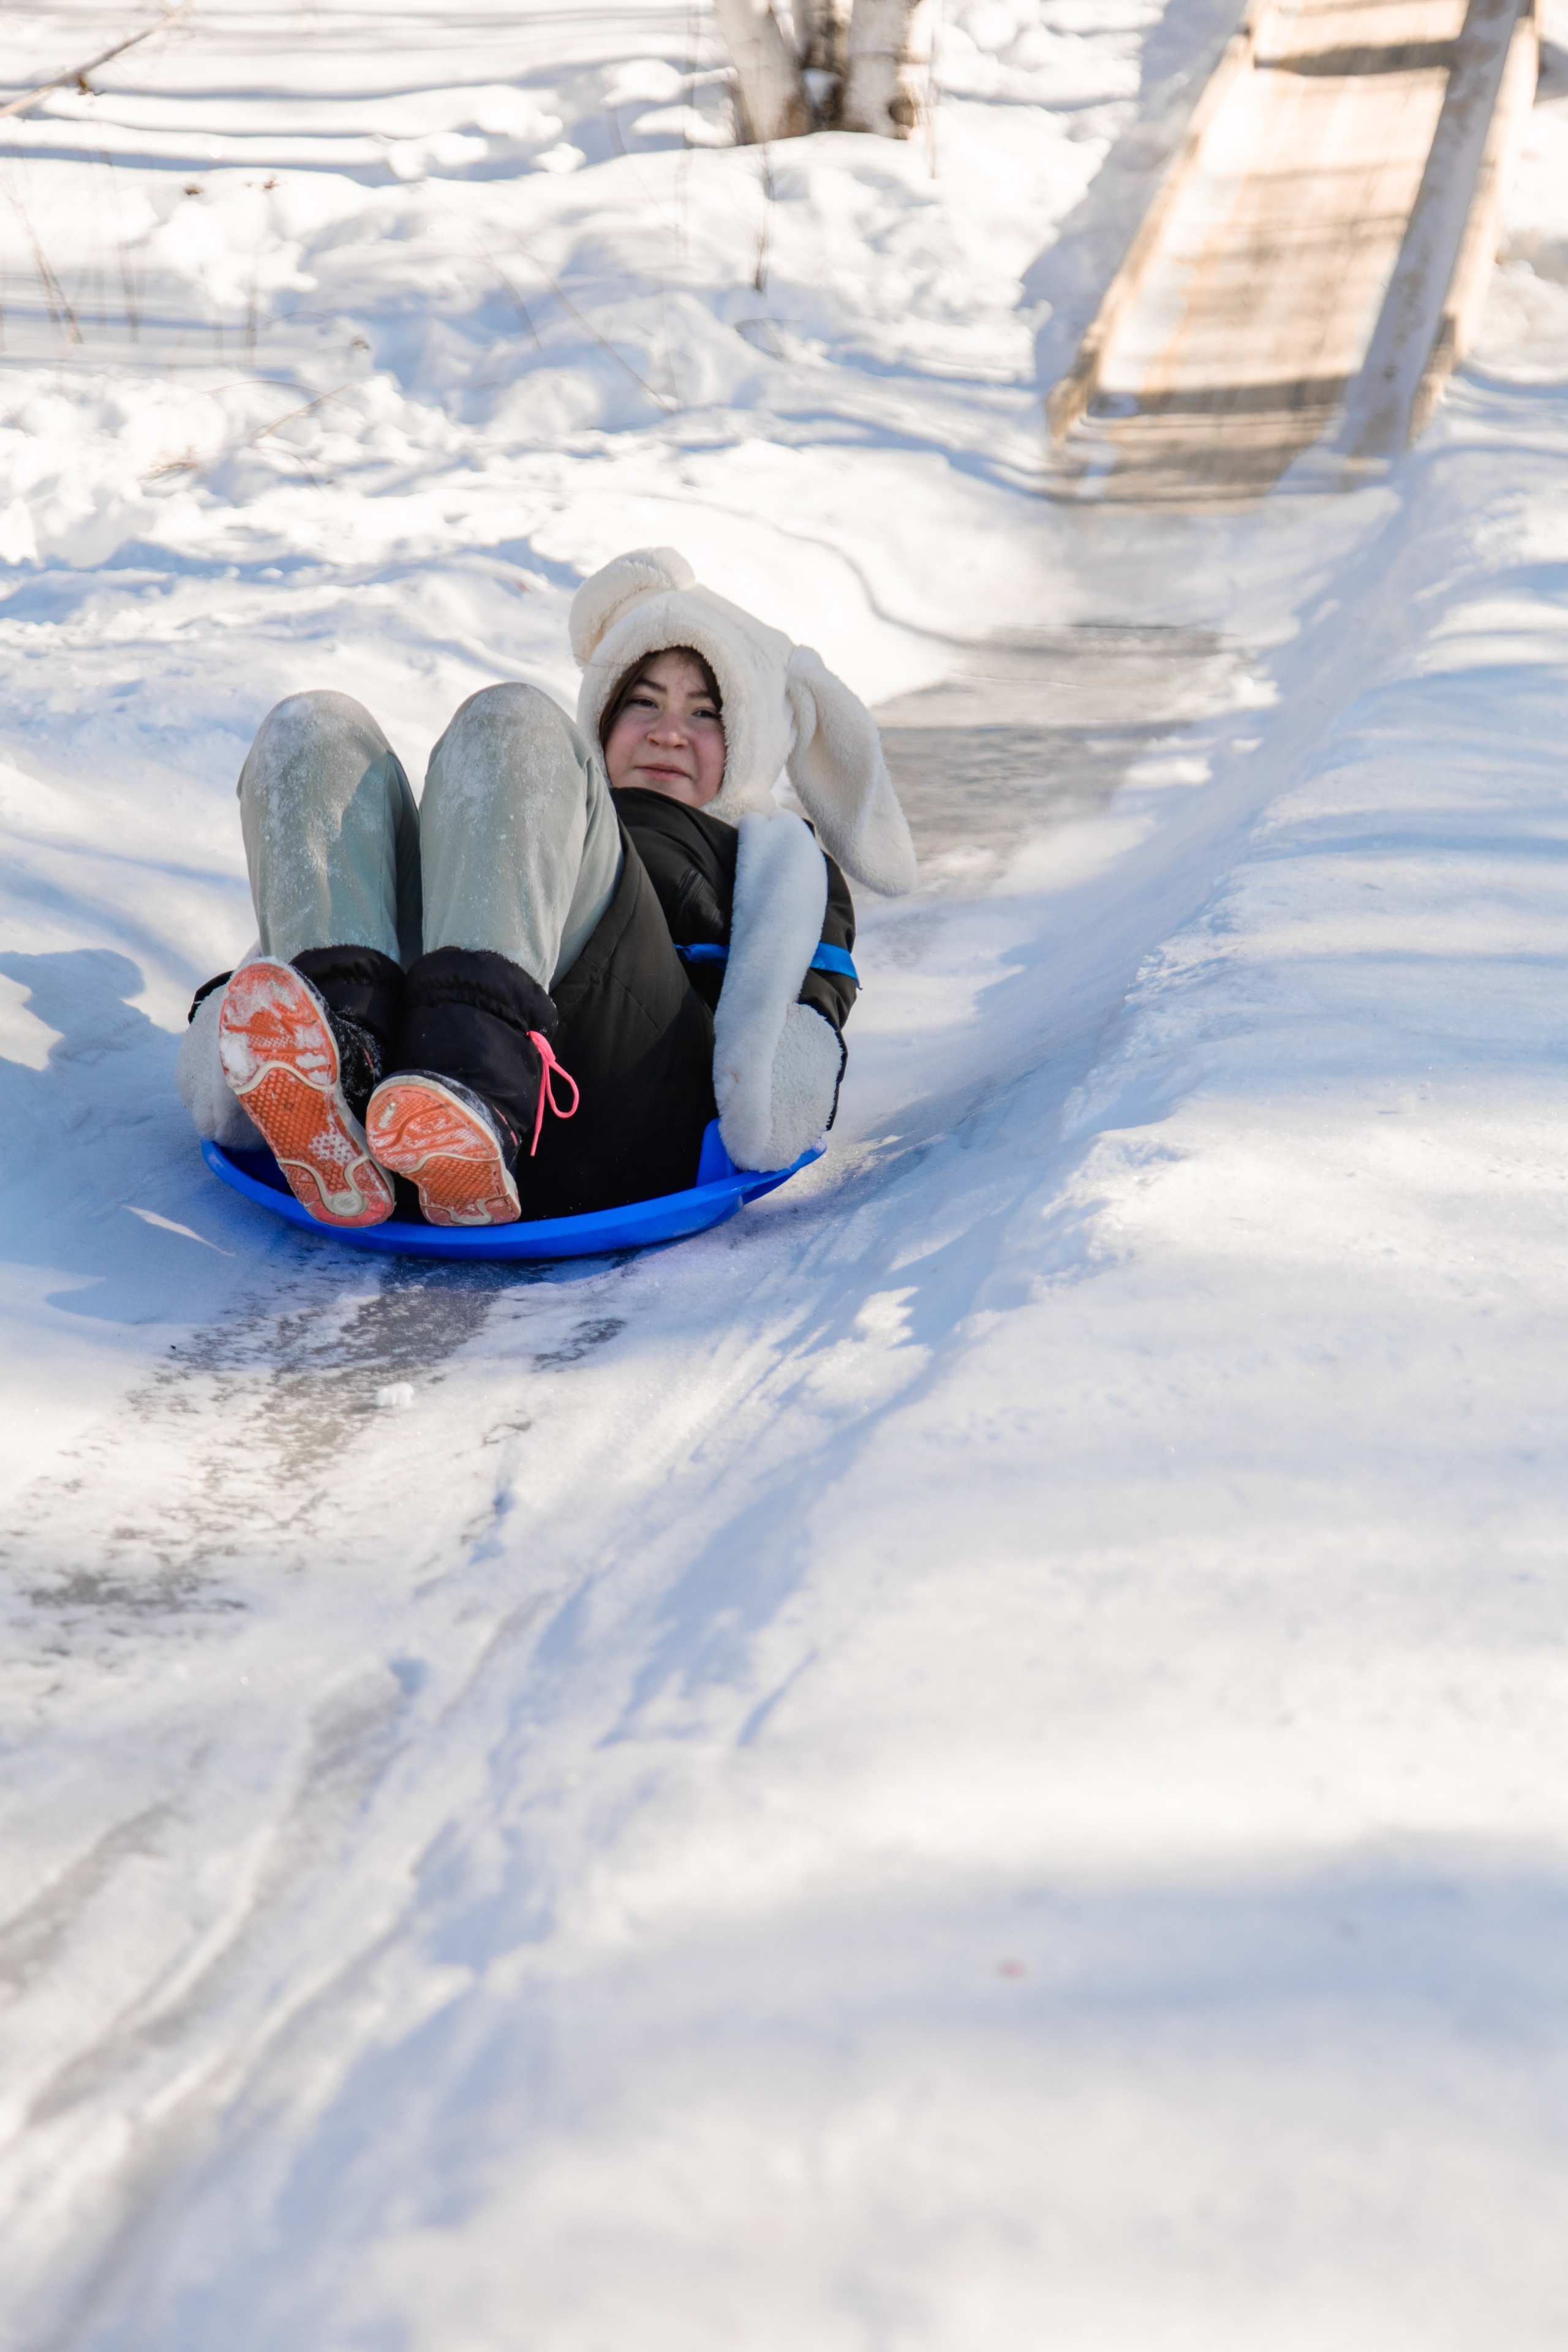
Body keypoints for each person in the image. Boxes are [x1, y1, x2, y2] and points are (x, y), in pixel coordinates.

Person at [178, 546, 918, 1229]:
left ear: (752, 739)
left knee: (513, 721)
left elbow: (812, 1011)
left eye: (705, 715)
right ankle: (346, 1074)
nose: (667, 732)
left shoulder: (767, 855)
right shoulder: (525, 802)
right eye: (643, 702)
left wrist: (779, 1106)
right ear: (604, 713)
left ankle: (474, 1088)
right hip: (396, 1111)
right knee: (315, 729)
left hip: (613, 1109)